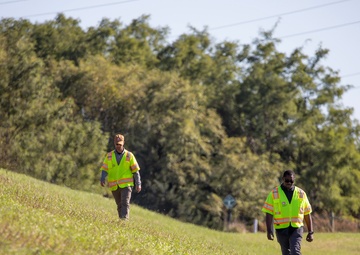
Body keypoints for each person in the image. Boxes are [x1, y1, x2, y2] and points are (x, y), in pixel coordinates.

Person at [262, 170, 314, 255]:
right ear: (283, 179)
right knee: (286, 253)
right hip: (281, 229)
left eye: (291, 181)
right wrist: (269, 231)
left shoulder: (301, 193)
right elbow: (269, 213)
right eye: (287, 180)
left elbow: (307, 213)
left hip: (296, 228)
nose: (289, 183)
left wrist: (310, 232)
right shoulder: (274, 193)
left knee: (295, 251)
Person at [100, 133, 141, 220]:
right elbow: (104, 168)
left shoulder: (129, 156)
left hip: (127, 185)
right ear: (114, 144)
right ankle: (121, 220)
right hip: (114, 185)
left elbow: (136, 171)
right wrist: (102, 178)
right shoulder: (109, 156)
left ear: (123, 143)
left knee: (125, 203)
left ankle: (124, 220)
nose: (118, 146)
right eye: (117, 144)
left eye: (120, 144)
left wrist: (138, 183)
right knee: (119, 205)